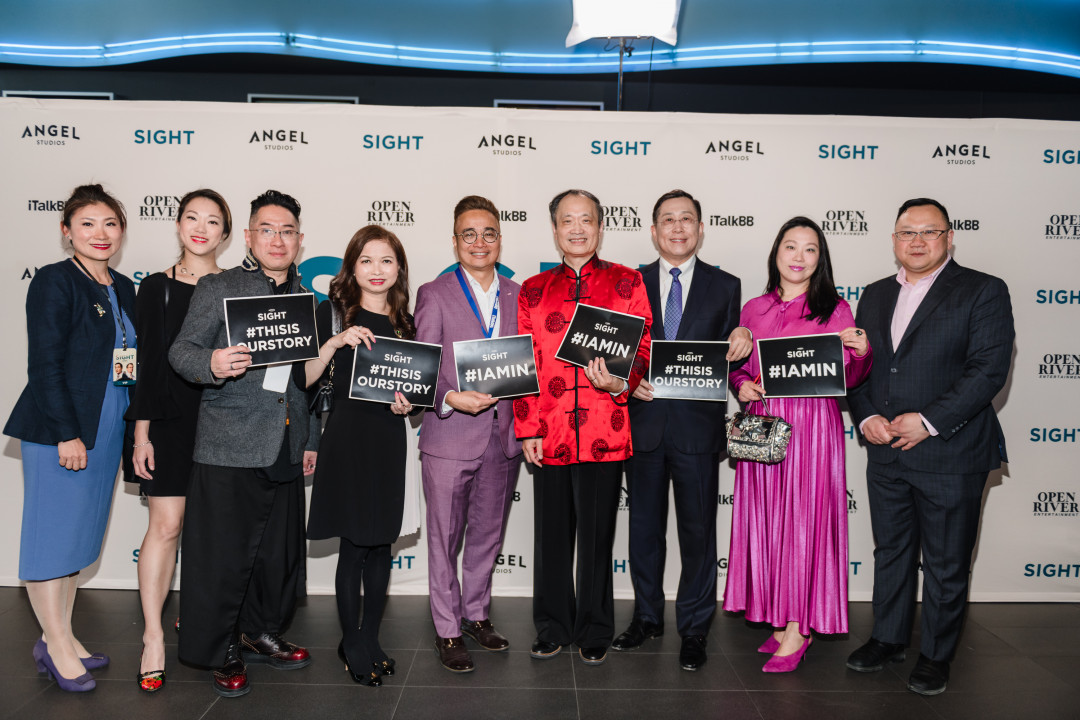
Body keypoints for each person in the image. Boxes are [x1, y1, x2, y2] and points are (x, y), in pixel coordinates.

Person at [846, 198, 1014, 696]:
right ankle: (888, 638)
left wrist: (929, 421)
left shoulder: (982, 290)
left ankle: (937, 655)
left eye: (929, 232)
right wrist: (869, 415)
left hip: (951, 452)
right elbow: (859, 368)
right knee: (891, 551)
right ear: (894, 238)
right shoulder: (874, 295)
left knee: (946, 561)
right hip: (886, 451)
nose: (916, 241)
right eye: (906, 232)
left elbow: (988, 369)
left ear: (949, 237)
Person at [168, 189, 319, 698]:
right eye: (268, 229)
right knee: (223, 557)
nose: (278, 239)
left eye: (288, 231)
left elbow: (305, 382)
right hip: (229, 443)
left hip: (284, 444)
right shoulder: (219, 286)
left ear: (301, 240)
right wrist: (210, 364)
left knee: (276, 555)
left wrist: (310, 436)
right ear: (251, 236)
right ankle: (221, 648)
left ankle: (259, 632)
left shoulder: (307, 300)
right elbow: (181, 351)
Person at [724, 216, 871, 673]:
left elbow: (847, 377)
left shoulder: (836, 309)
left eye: (810, 249)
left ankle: (800, 628)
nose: (799, 257)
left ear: (819, 259)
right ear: (776, 253)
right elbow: (742, 369)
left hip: (812, 428)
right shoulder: (753, 308)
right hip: (764, 425)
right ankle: (779, 616)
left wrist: (861, 353)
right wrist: (742, 383)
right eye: (791, 246)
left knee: (803, 524)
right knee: (767, 521)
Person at [5, 184, 136, 692]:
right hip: (62, 428)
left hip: (108, 421)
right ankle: (55, 642)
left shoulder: (124, 286)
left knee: (80, 535)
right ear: (66, 231)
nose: (100, 234)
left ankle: (61, 634)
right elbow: (44, 365)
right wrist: (67, 435)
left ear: (121, 231)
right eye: (87, 224)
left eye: (109, 224)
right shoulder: (55, 282)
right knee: (51, 538)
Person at [615, 190, 752, 671]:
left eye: (687, 220)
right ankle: (647, 617)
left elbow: (738, 344)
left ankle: (694, 628)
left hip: (697, 431)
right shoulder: (627, 282)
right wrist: (626, 384)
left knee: (698, 534)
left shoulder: (726, 285)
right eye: (667, 220)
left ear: (700, 229)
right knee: (644, 532)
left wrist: (744, 334)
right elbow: (615, 352)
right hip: (644, 426)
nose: (677, 228)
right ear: (653, 231)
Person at [515, 189, 652, 666]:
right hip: (549, 431)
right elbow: (525, 364)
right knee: (551, 538)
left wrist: (621, 382)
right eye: (567, 220)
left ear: (599, 226)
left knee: (597, 539)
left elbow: (644, 349)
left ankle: (594, 627)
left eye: (586, 220)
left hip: (605, 429)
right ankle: (551, 626)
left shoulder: (627, 282)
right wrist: (528, 428)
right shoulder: (533, 289)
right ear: (554, 230)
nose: (577, 228)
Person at [125, 188, 230, 693]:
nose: (201, 228)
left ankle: (204, 622)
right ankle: (152, 636)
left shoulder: (238, 289)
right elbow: (146, 365)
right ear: (178, 224)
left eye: (213, 221)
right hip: (167, 420)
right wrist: (140, 433)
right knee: (166, 527)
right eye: (192, 217)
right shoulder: (156, 289)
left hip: (223, 420)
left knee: (212, 530)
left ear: (227, 235)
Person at [304, 225, 416, 687]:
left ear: (398, 269)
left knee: (381, 544)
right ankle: (351, 643)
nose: (376, 270)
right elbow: (304, 380)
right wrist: (334, 342)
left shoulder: (406, 321)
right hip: (347, 440)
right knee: (353, 545)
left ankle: (370, 637)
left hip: (389, 438)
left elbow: (416, 388)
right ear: (351, 266)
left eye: (386, 261)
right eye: (366, 260)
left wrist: (408, 402)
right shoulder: (331, 313)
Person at [414, 196, 523, 673]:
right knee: (444, 537)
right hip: (449, 435)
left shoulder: (521, 295)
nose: (479, 243)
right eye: (469, 234)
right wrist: (450, 396)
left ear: (500, 238)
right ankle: (447, 628)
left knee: (487, 534)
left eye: (489, 233)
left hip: (503, 435)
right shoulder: (434, 293)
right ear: (455, 240)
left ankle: (476, 614)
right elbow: (424, 366)